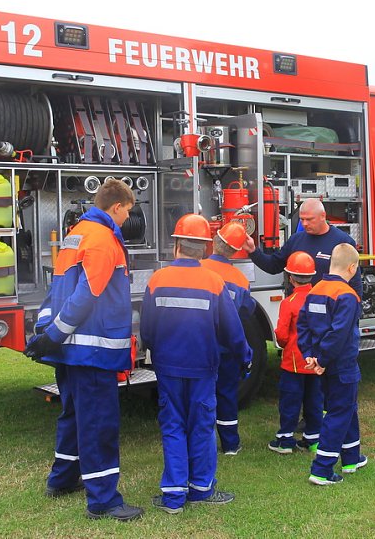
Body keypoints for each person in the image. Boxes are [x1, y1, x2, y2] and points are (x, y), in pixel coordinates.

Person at [25, 178, 143, 521]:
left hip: (69, 351)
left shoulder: (76, 234)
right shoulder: (104, 240)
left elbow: (57, 289)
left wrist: (47, 335)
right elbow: (86, 296)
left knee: (73, 415)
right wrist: (56, 335)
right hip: (92, 351)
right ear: (117, 207)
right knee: (99, 424)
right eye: (128, 212)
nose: (126, 220)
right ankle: (104, 501)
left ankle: (61, 480)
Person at [141, 214, 251, 514]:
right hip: (204, 368)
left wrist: (158, 353)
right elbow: (233, 331)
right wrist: (245, 358)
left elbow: (147, 331)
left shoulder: (157, 279)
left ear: (176, 244)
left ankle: (174, 495)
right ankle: (201, 489)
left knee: (173, 426)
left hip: (168, 368)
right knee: (201, 426)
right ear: (204, 248)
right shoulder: (214, 282)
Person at [298, 243, 367, 485]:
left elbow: (303, 325)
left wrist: (310, 355)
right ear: (352, 267)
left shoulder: (316, 289)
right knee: (340, 412)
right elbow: (339, 333)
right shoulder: (347, 295)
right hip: (340, 364)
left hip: (321, 362)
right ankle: (322, 469)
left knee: (347, 407)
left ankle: (352, 458)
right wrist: (324, 359)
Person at [200, 222, 256, 456]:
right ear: (235, 251)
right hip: (227, 349)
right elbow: (247, 311)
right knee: (227, 395)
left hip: (200, 348)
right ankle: (231, 444)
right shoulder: (240, 279)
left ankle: (203, 443)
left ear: (214, 241)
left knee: (201, 395)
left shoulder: (198, 269)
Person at [242, 198, 362, 300]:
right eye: (302, 219)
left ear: (323, 216)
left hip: (329, 314)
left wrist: (352, 316)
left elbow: (355, 284)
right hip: (299, 313)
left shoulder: (342, 242)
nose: (304, 224)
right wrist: (253, 251)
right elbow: (273, 266)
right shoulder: (296, 240)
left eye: (309, 219)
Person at [268, 251, 323, 455]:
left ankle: (285, 440)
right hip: (316, 362)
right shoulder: (320, 300)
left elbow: (282, 334)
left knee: (290, 402)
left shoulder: (288, 303)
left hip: (293, 363)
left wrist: (284, 344)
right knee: (314, 402)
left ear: (290, 277)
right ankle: (313, 439)